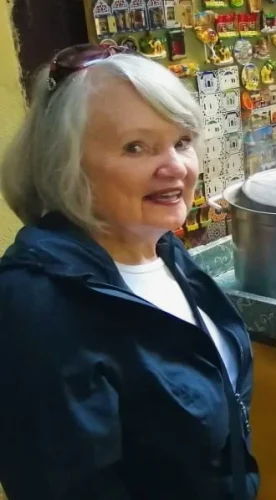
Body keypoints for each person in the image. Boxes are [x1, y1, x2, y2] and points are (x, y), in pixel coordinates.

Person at [0, 45, 259, 499]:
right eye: (135, 147)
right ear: (67, 165)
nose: (176, 167)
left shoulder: (160, 249)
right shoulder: (36, 304)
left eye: (181, 142)